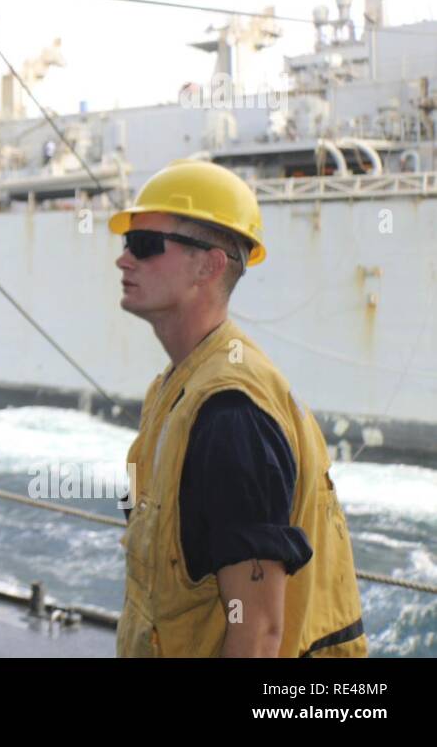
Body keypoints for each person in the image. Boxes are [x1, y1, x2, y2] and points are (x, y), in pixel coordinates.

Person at [111, 159, 367, 657]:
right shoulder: (177, 387)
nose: (123, 260)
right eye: (126, 244)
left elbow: (256, 631)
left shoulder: (231, 414)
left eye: (143, 245)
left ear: (209, 265)